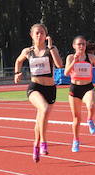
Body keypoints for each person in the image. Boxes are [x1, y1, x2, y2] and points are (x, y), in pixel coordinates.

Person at [14, 23, 63, 162]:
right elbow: (18, 61)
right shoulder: (27, 51)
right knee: (44, 108)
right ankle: (44, 142)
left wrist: (52, 47)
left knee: (41, 120)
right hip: (35, 87)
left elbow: (60, 65)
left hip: (50, 89)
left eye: (42, 33)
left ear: (46, 35)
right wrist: (17, 73)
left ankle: (35, 144)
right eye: (37, 33)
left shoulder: (51, 49)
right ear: (31, 35)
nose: (39, 35)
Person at [64, 36, 95, 153]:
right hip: (75, 89)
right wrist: (74, 61)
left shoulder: (90, 57)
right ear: (74, 46)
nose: (81, 46)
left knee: (91, 105)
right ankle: (76, 140)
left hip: (87, 87)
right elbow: (66, 73)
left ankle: (90, 119)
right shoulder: (70, 57)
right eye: (79, 44)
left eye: (83, 44)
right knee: (76, 119)